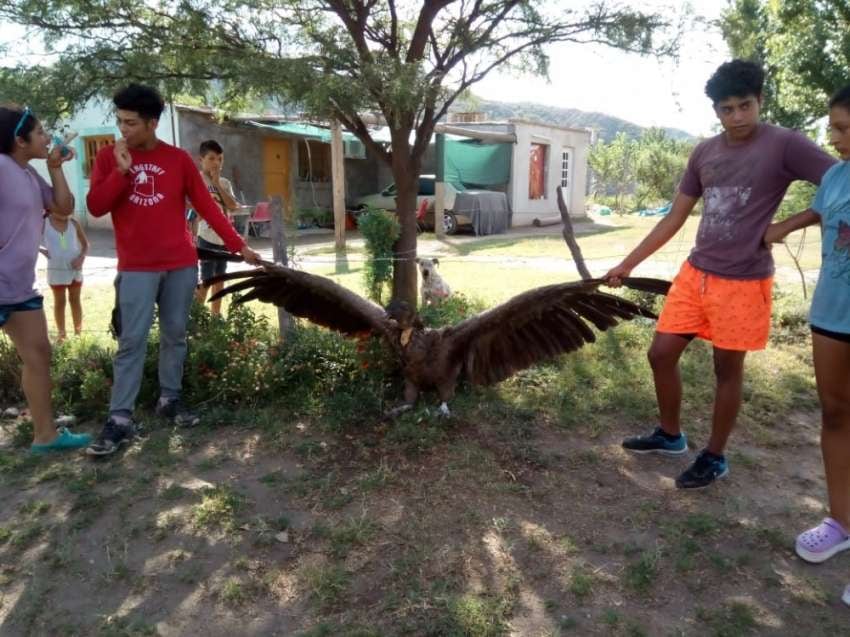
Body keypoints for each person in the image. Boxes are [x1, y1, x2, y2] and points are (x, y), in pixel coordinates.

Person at [605, 60, 836, 489]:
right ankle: (671, 436)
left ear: (759, 101)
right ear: (715, 111)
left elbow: (841, 182)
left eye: (745, 106)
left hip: (745, 280)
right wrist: (628, 263)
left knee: (726, 370)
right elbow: (675, 216)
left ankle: (714, 456)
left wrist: (788, 224)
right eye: (726, 109)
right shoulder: (705, 152)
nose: (737, 117)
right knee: (660, 353)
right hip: (696, 273)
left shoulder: (784, 144)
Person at [85, 84, 260, 456]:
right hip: (136, 267)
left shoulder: (178, 160)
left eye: (130, 123)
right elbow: (97, 206)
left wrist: (238, 245)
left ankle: (170, 399)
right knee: (131, 342)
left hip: (180, 263)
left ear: (152, 123)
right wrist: (121, 173)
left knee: (175, 335)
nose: (123, 130)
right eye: (119, 121)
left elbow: (209, 208)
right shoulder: (108, 158)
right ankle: (119, 419)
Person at [763, 85, 850, 605]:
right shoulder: (837, 174)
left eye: (844, 129)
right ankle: (842, 521)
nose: (834, 138)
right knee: (836, 415)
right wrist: (784, 225)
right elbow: (823, 210)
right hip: (831, 315)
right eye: (834, 127)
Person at [0, 104, 91, 453]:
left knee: (38, 354)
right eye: (39, 133)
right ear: (20, 141)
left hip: (18, 286)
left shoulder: (27, 173)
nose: (46, 137)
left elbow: (63, 208)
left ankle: (45, 436)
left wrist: (54, 168)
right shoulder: (2, 166)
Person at [194, 139, 240, 315]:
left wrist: (217, 183)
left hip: (224, 238)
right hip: (205, 237)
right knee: (206, 279)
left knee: (220, 279)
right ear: (201, 159)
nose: (216, 163)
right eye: (212, 158)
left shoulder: (225, 183)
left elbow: (232, 205)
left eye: (220, 159)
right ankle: (197, 316)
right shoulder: (196, 180)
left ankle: (215, 317)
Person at [42, 209, 88, 340]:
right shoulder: (43, 223)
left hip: (75, 269)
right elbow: (28, 240)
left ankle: (78, 334)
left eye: (69, 209)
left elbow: (85, 245)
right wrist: (41, 250)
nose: (66, 213)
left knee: (75, 300)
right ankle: (62, 336)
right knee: (60, 302)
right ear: (52, 208)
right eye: (62, 208)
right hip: (56, 271)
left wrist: (81, 257)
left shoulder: (74, 223)